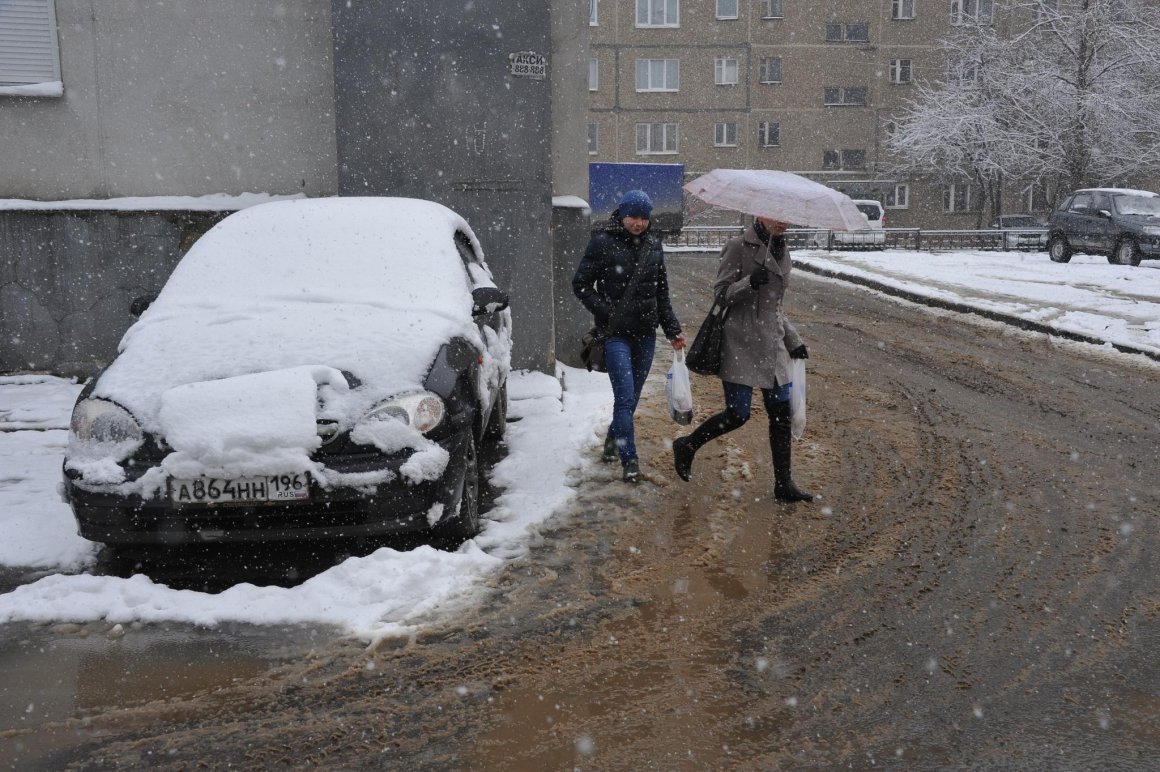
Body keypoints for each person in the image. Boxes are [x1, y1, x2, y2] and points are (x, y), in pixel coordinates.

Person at [672, 216, 814, 502]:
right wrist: (749, 283)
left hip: (772, 345)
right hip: (739, 343)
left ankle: (784, 484)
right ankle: (687, 445)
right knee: (738, 414)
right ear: (760, 214)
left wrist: (793, 341)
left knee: (781, 416)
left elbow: (775, 307)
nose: (783, 223)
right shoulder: (738, 246)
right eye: (777, 217)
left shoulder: (782, 249)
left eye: (787, 218)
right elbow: (721, 295)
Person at [573, 190, 685, 483]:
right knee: (624, 397)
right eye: (633, 217)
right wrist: (606, 311)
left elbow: (662, 293)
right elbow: (581, 284)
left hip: (646, 335)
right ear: (621, 215)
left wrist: (673, 330)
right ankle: (630, 460)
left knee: (631, 398)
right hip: (615, 336)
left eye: (644, 218)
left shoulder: (653, 245)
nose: (638, 223)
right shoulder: (602, 243)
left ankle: (612, 442)